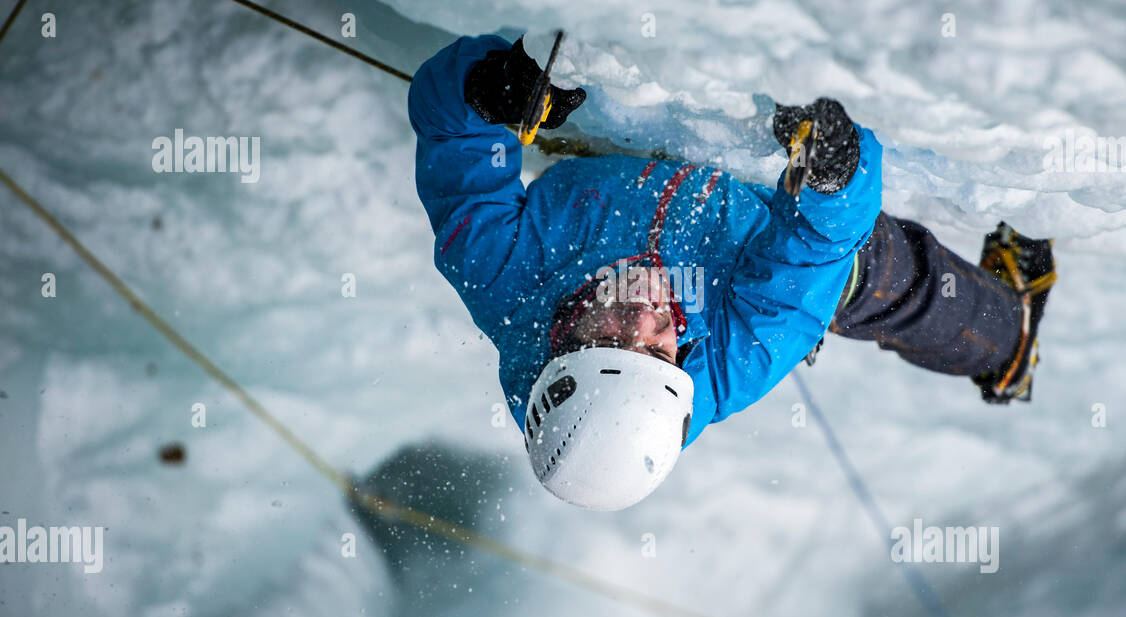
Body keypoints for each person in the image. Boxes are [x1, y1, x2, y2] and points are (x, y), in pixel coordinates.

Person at [408, 35, 1056, 510]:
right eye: (658, 348)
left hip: (645, 189)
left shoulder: (498, 270)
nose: (643, 314)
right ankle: (1009, 341)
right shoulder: (732, 360)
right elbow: (819, 242)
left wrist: (487, 90)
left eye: (609, 335)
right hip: (767, 244)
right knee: (884, 277)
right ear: (680, 371)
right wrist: (832, 176)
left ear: (559, 342)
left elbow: (451, 138)